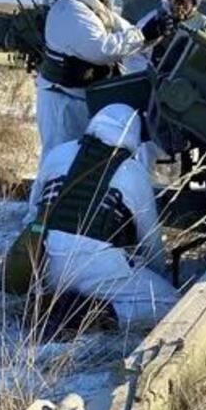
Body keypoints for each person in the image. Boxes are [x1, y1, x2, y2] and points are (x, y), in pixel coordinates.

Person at [23, 103, 178, 331]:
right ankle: (93, 315)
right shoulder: (132, 171)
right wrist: (159, 276)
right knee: (170, 302)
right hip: (96, 264)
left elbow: (31, 215)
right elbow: (150, 239)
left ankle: (52, 302)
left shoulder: (58, 153)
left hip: (44, 264)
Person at [36, 0, 166, 160]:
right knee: (60, 160)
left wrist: (155, 33)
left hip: (80, 98)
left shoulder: (93, 10)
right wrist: (143, 35)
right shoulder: (69, 9)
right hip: (63, 102)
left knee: (78, 160)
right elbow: (102, 49)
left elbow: (127, 31)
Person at [126, 0, 206, 73]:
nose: (178, 5)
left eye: (183, 0)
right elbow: (132, 53)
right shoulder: (154, 19)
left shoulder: (204, 24)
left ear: (193, 1)